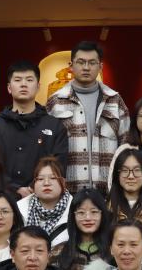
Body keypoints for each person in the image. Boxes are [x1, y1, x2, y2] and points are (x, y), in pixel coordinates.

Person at [47, 41, 130, 195]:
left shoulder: (114, 100)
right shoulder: (55, 102)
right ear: (71, 65)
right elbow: (48, 149)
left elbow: (126, 145)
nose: (86, 67)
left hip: (108, 193)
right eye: (81, 62)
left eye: (92, 63)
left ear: (100, 67)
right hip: (68, 193)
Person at [0, 61, 69, 197]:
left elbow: (59, 166)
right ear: (9, 88)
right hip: (1, 198)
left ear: (38, 87)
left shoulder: (54, 126)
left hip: (42, 198)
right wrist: (14, 189)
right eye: (17, 80)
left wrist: (33, 187)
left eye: (29, 80)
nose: (23, 84)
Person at [52, 188, 110, 270]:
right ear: (73, 216)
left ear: (102, 215)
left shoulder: (113, 251)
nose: (88, 218)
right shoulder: (58, 251)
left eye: (94, 212)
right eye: (81, 212)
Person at [106, 149, 142, 234]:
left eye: (137, 170)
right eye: (124, 170)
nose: (131, 176)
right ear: (117, 174)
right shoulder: (105, 208)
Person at [16, 157, 73, 247]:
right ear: (34, 184)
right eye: (40, 179)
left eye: (53, 178)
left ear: (63, 182)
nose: (46, 183)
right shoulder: (18, 210)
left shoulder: (75, 211)